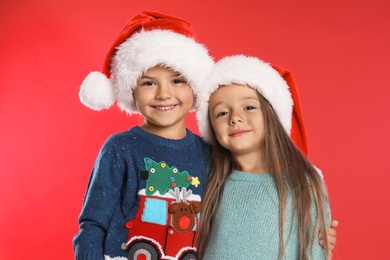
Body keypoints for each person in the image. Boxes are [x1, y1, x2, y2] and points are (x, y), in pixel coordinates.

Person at [73, 11, 214, 260]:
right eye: (149, 83)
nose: (163, 94)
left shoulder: (208, 153)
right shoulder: (120, 148)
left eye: (177, 81)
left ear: (195, 87)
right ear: (131, 90)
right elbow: (93, 223)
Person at [196, 55, 333, 259]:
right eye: (222, 113)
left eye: (249, 107)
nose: (236, 118)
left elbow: (315, 251)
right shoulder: (207, 179)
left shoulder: (303, 184)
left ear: (272, 115)